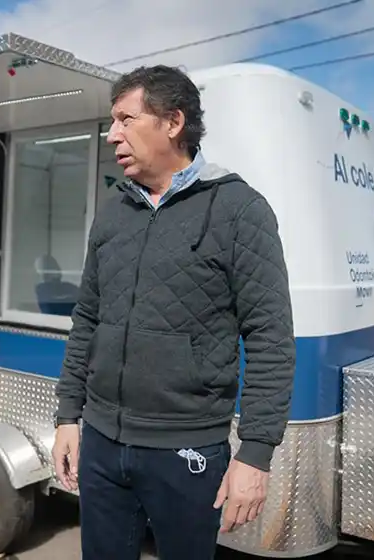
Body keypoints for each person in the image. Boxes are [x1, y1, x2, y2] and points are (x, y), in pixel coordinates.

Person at [51, 65, 296, 559]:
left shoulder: (239, 209)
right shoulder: (114, 210)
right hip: (100, 442)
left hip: (188, 450)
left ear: (172, 122)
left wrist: (255, 455)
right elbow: (87, 321)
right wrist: (68, 416)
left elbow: (270, 337)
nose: (111, 134)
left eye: (125, 119)